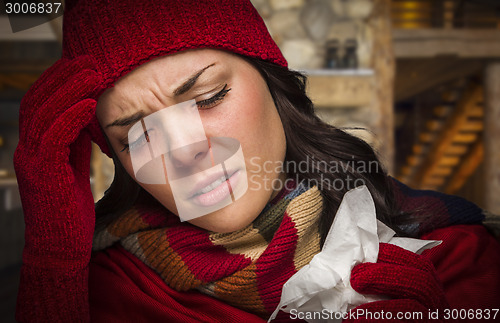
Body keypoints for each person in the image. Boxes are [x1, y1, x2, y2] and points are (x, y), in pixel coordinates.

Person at [14, 0, 500, 322]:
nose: (184, 152)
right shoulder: (104, 293)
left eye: (208, 97)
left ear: (274, 85)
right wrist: (53, 263)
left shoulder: (456, 249)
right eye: (137, 135)